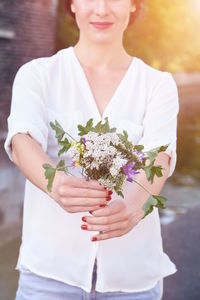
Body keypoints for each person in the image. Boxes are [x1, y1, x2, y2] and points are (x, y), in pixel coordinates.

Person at [4, 0, 179, 299]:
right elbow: (22, 141)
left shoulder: (157, 84)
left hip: (132, 279)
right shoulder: (38, 75)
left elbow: (159, 156)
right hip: (49, 276)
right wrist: (55, 183)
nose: (101, 9)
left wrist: (134, 207)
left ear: (133, 6)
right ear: (72, 4)